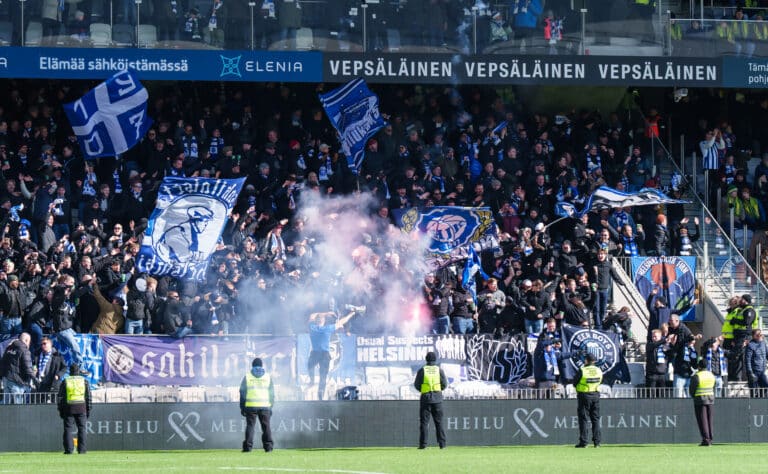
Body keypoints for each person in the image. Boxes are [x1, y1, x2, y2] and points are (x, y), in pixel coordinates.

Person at [307, 308, 355, 400]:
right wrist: (351, 314)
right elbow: (341, 321)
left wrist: (326, 313)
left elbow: (311, 316)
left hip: (316, 353)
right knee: (322, 376)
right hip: (324, 354)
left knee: (311, 366)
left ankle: (312, 382)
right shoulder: (327, 328)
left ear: (316, 321)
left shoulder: (312, 327)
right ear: (323, 321)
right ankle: (320, 396)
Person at [413, 351, 448, 450]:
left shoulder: (422, 370)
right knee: (439, 422)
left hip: (425, 399)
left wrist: (424, 390)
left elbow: (416, 384)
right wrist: (437, 391)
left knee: (424, 423)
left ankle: (423, 445)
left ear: (426, 359)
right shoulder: (439, 370)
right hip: (437, 399)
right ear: (435, 359)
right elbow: (444, 384)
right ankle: (442, 444)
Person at [239, 357, 274, 453]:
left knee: (250, 426)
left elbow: (242, 392)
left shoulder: (247, 377)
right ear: (262, 365)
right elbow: (272, 393)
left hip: (251, 405)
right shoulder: (267, 377)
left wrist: (242, 407)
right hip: (265, 405)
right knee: (266, 427)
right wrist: (271, 406)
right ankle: (268, 447)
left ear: (252, 365)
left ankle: (247, 448)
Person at [57, 364, 92, 454]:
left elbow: (60, 397)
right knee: (82, 429)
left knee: (68, 429)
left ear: (70, 371)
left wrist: (60, 410)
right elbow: (88, 397)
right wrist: (88, 409)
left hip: (69, 407)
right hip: (81, 407)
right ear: (78, 371)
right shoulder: (84, 381)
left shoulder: (66, 381)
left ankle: (69, 449)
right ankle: (82, 450)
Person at [575, 353, 602, 448]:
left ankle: (584, 442)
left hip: (584, 395)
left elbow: (575, 382)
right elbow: (600, 381)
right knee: (595, 419)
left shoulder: (583, 370)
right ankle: (597, 442)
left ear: (586, 360)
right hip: (595, 394)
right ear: (594, 361)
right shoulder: (598, 370)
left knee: (584, 419)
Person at [0, 332, 34, 404]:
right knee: (18, 407)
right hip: (17, 381)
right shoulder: (24, 350)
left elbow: (2, 363)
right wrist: (35, 379)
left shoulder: (9, 348)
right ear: (26, 340)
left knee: (6, 404)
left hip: (6, 379)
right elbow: (28, 367)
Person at [689, 358, 715, 446]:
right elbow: (714, 386)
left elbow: (692, 389)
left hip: (700, 399)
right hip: (710, 399)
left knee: (702, 420)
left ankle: (706, 439)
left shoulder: (697, 376)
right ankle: (710, 438)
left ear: (699, 366)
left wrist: (694, 396)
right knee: (709, 420)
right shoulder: (711, 375)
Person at [745, 329, 768, 397]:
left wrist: (765, 341)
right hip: (754, 372)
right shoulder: (750, 345)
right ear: (754, 336)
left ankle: (759, 398)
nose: (760, 336)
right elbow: (747, 360)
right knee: (753, 392)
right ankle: (754, 402)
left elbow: (767, 355)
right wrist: (750, 373)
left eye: (760, 334)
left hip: (762, 371)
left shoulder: (763, 343)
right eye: (758, 335)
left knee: (765, 386)